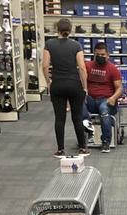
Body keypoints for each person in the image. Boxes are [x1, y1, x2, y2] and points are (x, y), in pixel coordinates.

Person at [43, 18, 90, 158]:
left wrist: (48, 82)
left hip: (57, 84)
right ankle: (83, 148)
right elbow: (82, 68)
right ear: (71, 30)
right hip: (74, 84)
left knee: (59, 118)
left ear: (57, 29)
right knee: (77, 117)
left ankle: (60, 150)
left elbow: (45, 66)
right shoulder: (76, 45)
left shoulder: (49, 44)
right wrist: (85, 87)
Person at [81, 42, 122, 153]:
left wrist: (113, 98)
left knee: (104, 109)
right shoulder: (88, 66)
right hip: (91, 99)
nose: (100, 57)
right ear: (94, 54)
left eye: (103, 54)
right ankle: (88, 129)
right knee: (79, 99)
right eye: (97, 54)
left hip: (106, 100)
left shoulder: (112, 69)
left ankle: (106, 141)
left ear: (108, 55)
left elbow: (119, 88)